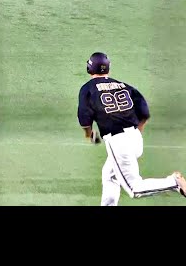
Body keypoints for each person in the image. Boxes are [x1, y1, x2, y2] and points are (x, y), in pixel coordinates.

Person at [77, 51, 186, 206]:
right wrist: (135, 134)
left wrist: (89, 134)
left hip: (118, 142)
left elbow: (84, 117)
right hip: (135, 138)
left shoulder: (87, 89)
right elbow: (144, 112)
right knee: (109, 175)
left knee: (135, 189)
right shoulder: (124, 85)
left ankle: (174, 182)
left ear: (90, 68)